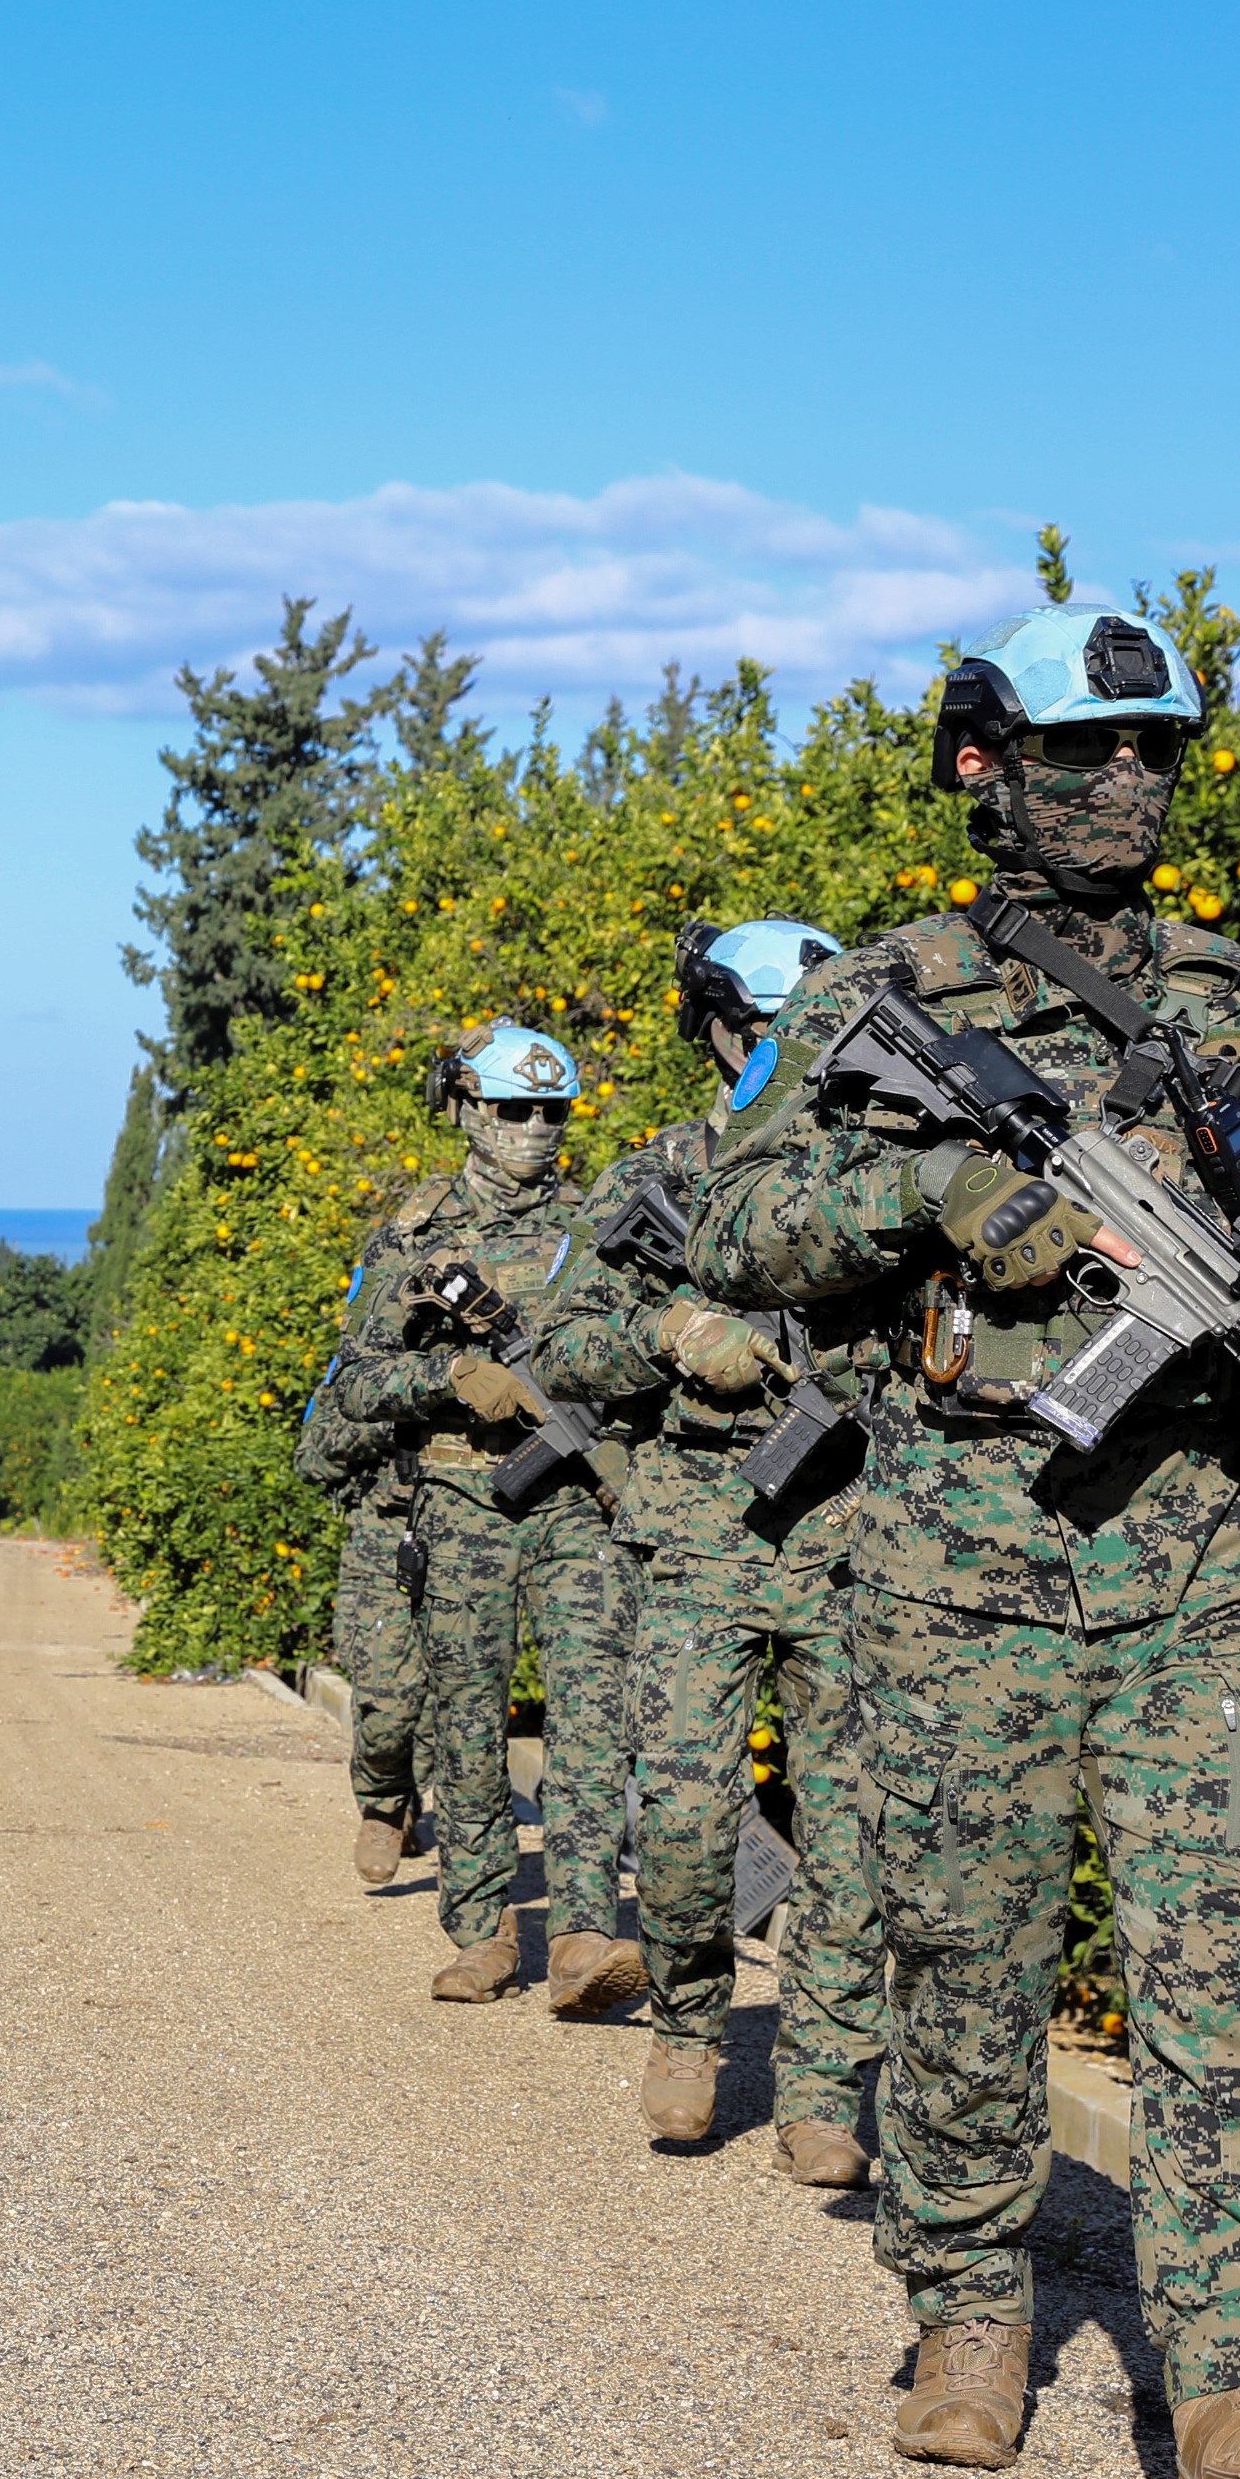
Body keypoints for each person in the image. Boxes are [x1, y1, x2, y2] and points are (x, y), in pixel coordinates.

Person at [694, 600, 1240, 2479]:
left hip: (1199, 1583)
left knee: (1217, 1970)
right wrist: (929, 1197)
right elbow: (740, 1221)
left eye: (1157, 752)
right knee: (965, 1965)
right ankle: (968, 2314)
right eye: (1084, 750)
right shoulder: (892, 991)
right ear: (982, 766)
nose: (1126, 784)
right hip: (951, 1575)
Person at [536, 917, 886, 2177]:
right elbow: (560, 1350)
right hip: (700, 1533)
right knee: (684, 1813)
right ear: (721, 1032)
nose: (787, 1050)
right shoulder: (661, 1173)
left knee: (856, 1826)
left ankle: (826, 2086)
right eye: (767, 1028)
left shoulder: (881, 1176)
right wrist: (678, 1333)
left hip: (858, 1535)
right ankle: (689, 2023)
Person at [305, 1025, 646, 2013]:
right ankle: (484, 1928)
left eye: (554, 1110)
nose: (536, 1129)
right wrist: (451, 1375)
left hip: (579, 1507)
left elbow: (643, 1352)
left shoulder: (601, 1231)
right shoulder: (412, 1240)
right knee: (465, 1723)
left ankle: (585, 1934)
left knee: (593, 1714)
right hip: (460, 1507)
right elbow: (357, 1384)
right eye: (513, 1108)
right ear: (464, 1110)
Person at [291, 1238, 431, 1886]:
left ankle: (433, 1819)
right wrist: (402, 1406)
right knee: (388, 1700)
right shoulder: (362, 1362)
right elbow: (313, 1455)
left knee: (456, 1700)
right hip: (384, 1539)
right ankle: (381, 1802)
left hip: (473, 1537)